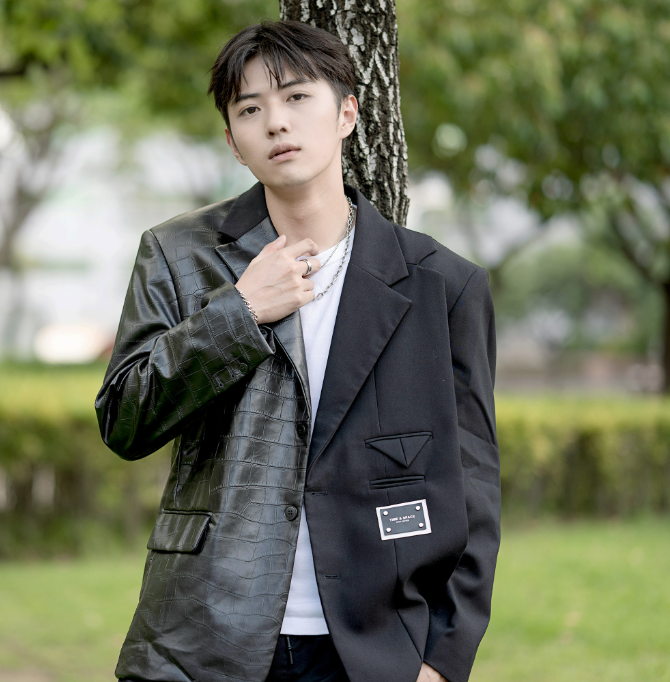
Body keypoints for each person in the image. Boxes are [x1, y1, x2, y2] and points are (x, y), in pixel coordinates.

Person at [95, 19, 499, 682]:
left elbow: (473, 484)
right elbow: (124, 420)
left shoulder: (443, 285)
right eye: (250, 109)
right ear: (234, 142)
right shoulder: (176, 255)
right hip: (205, 637)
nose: (276, 122)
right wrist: (239, 313)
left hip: (372, 647)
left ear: (347, 114)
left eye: (296, 97)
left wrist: (443, 659)